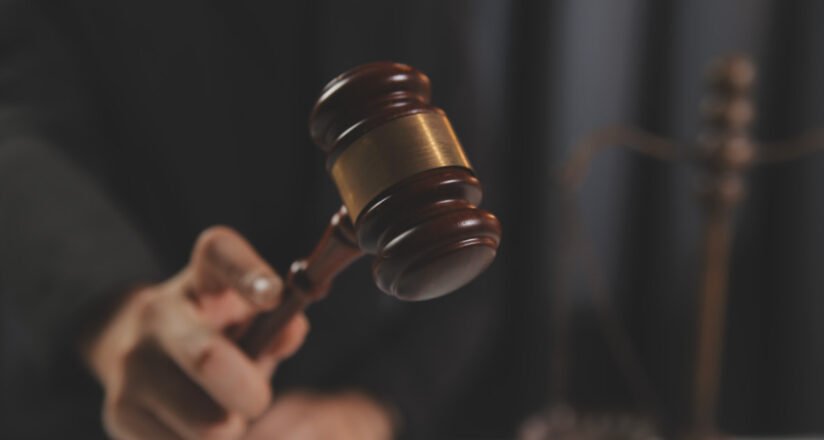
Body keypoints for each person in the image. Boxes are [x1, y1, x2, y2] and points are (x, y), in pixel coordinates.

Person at [0, 1, 513, 438]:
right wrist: (117, 320)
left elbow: (464, 241)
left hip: (348, 385)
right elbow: (18, 126)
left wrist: (370, 407)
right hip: (91, 405)